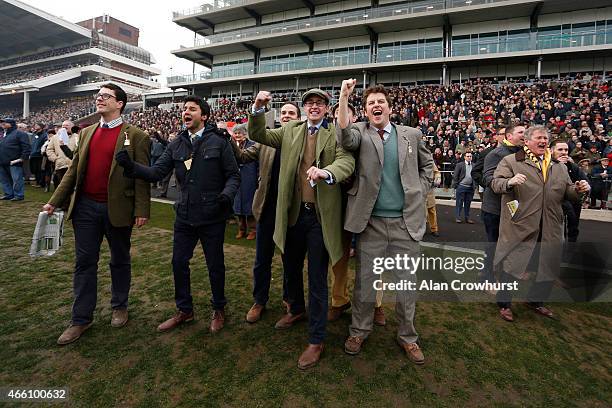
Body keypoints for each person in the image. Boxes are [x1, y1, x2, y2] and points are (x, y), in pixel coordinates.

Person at [248, 88, 355, 370]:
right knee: (291, 268)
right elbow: (259, 136)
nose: (314, 106)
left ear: (327, 108)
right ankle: (295, 309)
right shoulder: (290, 129)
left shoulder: (335, 133)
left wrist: (327, 172)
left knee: (318, 279)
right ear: (304, 107)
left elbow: (347, 161)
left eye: (319, 102)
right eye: (309, 102)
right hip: (293, 216)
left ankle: (316, 339)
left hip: (319, 219)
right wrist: (259, 109)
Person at [115, 96, 240, 334]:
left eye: (192, 109)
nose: (186, 112)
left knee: (215, 265)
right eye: (184, 109)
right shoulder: (177, 143)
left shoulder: (219, 141)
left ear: (204, 116)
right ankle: (185, 310)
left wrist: (226, 196)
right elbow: (156, 172)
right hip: (184, 215)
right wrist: (131, 167)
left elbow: (234, 175)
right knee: (178, 263)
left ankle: (219, 308)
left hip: (212, 215)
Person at [42, 83, 151, 345]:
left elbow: (141, 176)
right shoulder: (88, 132)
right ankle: (81, 319)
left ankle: (119, 306)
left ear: (120, 103)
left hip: (119, 208)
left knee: (120, 260)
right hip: (86, 208)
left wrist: (142, 210)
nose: (99, 99)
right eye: (98, 95)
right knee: (84, 263)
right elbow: (74, 170)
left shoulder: (136, 135)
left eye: (105, 96)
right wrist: (54, 202)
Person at [337, 79, 433, 364]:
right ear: (365, 111)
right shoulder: (360, 132)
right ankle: (359, 331)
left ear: (390, 108)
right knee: (366, 283)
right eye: (370, 104)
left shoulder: (411, 135)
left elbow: (428, 166)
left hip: (407, 224)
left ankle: (408, 337)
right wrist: (344, 97)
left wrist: (420, 189)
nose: (375, 106)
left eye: (380, 102)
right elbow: (343, 136)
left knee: (406, 286)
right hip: (372, 224)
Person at [491, 125, 589, 322]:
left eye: (545, 138)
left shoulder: (559, 166)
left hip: (551, 225)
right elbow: (496, 183)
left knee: (548, 266)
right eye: (538, 138)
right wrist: (509, 183)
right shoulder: (511, 161)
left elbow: (567, 191)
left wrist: (577, 189)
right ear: (526, 141)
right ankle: (504, 303)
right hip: (521, 225)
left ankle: (536, 301)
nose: (543, 141)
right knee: (513, 265)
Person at [232, 102, 301, 324]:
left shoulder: (304, 141)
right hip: (266, 210)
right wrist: (231, 141)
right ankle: (259, 300)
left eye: (292, 112)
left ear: (299, 117)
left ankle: (290, 299)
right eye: (284, 113)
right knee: (262, 260)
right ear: (279, 117)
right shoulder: (266, 141)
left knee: (291, 260)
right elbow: (242, 158)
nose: (287, 116)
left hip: (291, 212)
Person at [327, 101, 386, 326]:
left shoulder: (368, 135)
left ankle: (376, 304)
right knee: (338, 256)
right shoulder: (329, 138)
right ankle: (338, 299)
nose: (341, 119)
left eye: (345, 114)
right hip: (339, 205)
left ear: (355, 117)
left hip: (368, 206)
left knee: (374, 258)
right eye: (336, 116)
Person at [479, 125, 525, 283]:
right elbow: (488, 178)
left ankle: (501, 275)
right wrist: (508, 183)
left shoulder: (523, 154)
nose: (524, 135)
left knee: (509, 245)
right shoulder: (496, 154)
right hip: (495, 208)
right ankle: (486, 277)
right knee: (493, 245)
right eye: (521, 132)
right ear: (509, 136)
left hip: (513, 208)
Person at [550, 140, 588, 241]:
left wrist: (584, 187)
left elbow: (585, 182)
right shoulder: (545, 166)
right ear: (551, 151)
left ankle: (571, 250)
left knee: (573, 228)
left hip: (573, 202)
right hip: (554, 203)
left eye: (566, 150)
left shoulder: (573, 166)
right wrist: (557, 166)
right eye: (560, 149)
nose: (564, 152)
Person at [231, 123, 258, 240]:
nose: (237, 135)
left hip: (249, 177)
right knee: (238, 206)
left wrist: (257, 177)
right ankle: (241, 229)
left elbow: (258, 163)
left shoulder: (252, 145)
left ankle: (253, 230)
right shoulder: (231, 146)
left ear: (245, 134)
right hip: (237, 179)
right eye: (235, 133)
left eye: (239, 133)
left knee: (249, 205)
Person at [0, 117, 31, 201]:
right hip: (2, 161)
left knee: (17, 179)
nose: (2, 124)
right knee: (4, 180)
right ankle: (8, 194)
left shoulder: (20, 134)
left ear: (11, 124)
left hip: (14, 161)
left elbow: (26, 147)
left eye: (5, 122)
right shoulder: (2, 134)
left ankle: (18, 195)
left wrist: (21, 159)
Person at [46, 121, 78, 187]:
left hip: (73, 165)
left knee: (72, 185)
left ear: (72, 127)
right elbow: (49, 149)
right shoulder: (55, 137)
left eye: (67, 125)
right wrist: (55, 159)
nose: (64, 127)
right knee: (61, 186)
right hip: (60, 165)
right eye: (63, 125)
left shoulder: (77, 137)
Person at [452, 151, 476, 223]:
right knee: (459, 203)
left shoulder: (474, 165)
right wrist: (456, 185)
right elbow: (455, 175)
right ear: (464, 157)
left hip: (470, 187)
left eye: (470, 156)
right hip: (461, 186)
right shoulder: (460, 165)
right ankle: (458, 217)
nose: (469, 157)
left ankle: (467, 218)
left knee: (468, 204)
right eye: (468, 156)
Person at [29, 123, 48, 188]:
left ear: (41, 127)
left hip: (40, 155)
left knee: (40, 169)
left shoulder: (44, 135)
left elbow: (45, 144)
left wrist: (40, 151)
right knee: (35, 169)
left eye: (37, 125)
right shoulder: (34, 134)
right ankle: (37, 182)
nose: (35, 126)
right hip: (33, 154)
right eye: (35, 125)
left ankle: (41, 183)